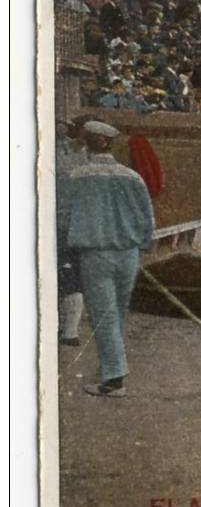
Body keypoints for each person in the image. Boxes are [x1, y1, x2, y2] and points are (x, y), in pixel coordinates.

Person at [62, 121, 155, 397]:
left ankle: (113, 379)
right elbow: (146, 217)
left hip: (96, 253)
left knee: (103, 317)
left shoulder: (77, 176)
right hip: (128, 253)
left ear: (89, 142)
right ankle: (111, 369)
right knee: (116, 314)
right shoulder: (132, 177)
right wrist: (143, 245)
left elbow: (66, 216)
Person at [55, 116, 93, 346]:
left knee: (70, 276)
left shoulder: (78, 156)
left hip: (66, 223)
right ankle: (68, 330)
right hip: (69, 222)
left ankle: (69, 332)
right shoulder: (78, 155)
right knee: (71, 276)